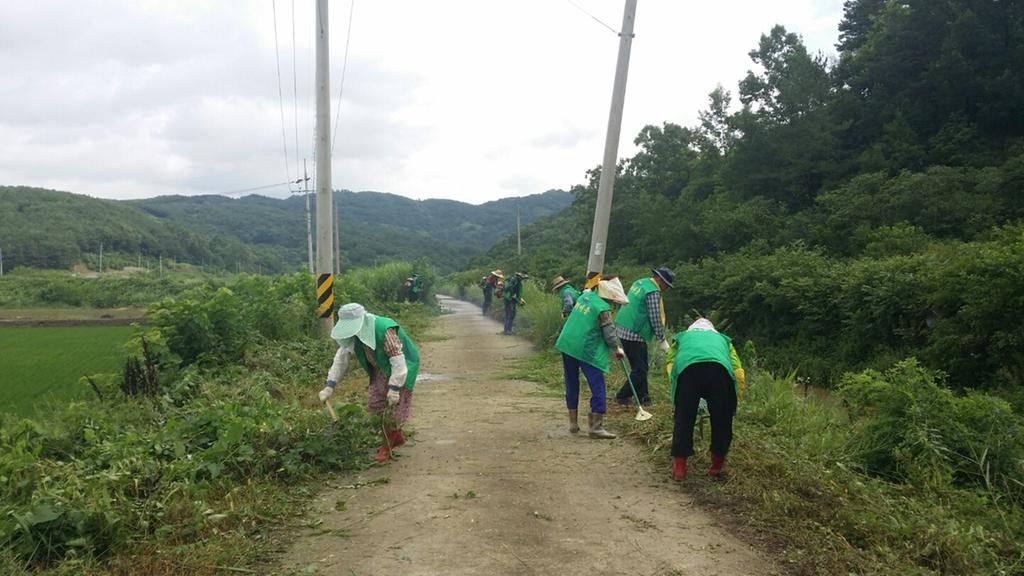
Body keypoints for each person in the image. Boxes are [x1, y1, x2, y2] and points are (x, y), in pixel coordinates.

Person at [319, 303, 421, 462]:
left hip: (404, 365)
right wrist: (329, 386)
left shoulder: (384, 330)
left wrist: (394, 388)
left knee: (393, 408)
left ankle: (386, 446)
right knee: (375, 404)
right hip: (380, 368)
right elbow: (341, 359)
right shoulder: (353, 336)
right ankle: (397, 437)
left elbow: (398, 362)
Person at [666, 318, 745, 480]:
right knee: (722, 420)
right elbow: (737, 370)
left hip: (688, 371)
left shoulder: (682, 337)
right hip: (720, 372)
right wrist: (734, 400)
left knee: (684, 419)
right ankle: (716, 467)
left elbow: (671, 365)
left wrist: (678, 398)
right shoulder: (723, 340)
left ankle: (680, 470)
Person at [555, 278, 629, 438]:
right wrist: (617, 349)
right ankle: (596, 427)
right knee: (597, 385)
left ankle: (573, 424)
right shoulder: (603, 308)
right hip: (585, 349)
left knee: (571, 382)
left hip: (567, 343)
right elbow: (609, 335)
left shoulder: (585, 297)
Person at [612, 267, 676, 407]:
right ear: (659, 279)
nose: (666, 288)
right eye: (666, 284)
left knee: (639, 367)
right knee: (640, 369)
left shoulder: (640, 283)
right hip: (634, 333)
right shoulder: (652, 291)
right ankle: (621, 396)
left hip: (623, 327)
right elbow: (655, 317)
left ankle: (643, 398)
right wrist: (662, 339)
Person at [502, 269, 528, 335]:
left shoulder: (518, 282)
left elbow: (518, 293)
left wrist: (520, 300)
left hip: (512, 299)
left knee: (512, 314)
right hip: (508, 299)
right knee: (509, 313)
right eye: (522, 277)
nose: (523, 278)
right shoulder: (513, 280)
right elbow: (508, 288)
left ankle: (509, 329)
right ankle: (507, 330)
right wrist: (512, 294)